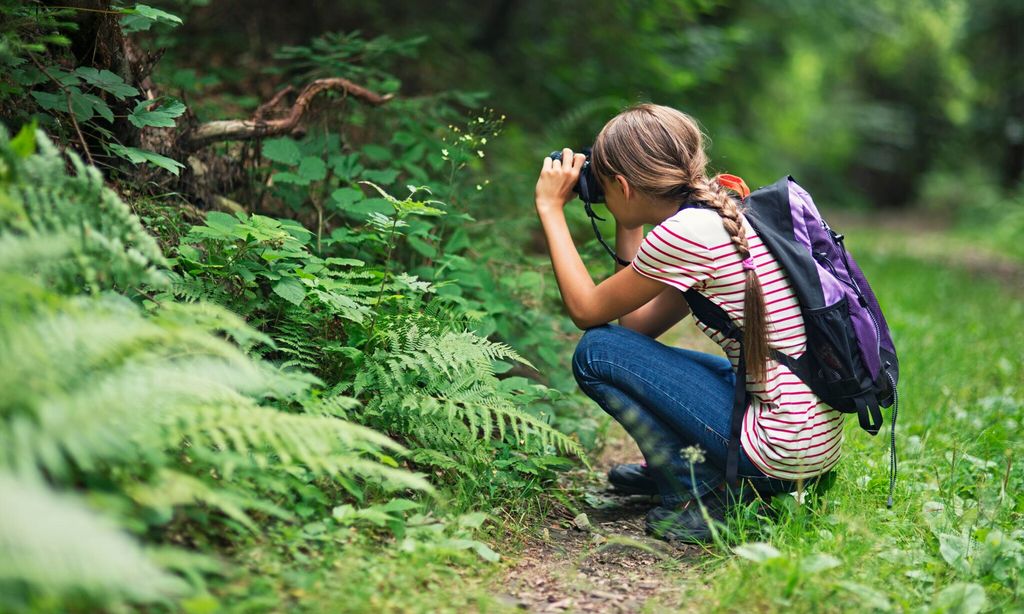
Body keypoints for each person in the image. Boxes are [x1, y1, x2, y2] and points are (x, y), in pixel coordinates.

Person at [533, 103, 840, 542]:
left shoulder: (685, 234)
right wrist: (628, 219)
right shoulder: (723, 213)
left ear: (622, 184)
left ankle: (699, 493)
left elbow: (587, 312)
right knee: (662, 359)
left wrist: (550, 209)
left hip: (783, 450)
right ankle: (699, 466)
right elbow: (637, 328)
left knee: (595, 351)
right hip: (810, 441)